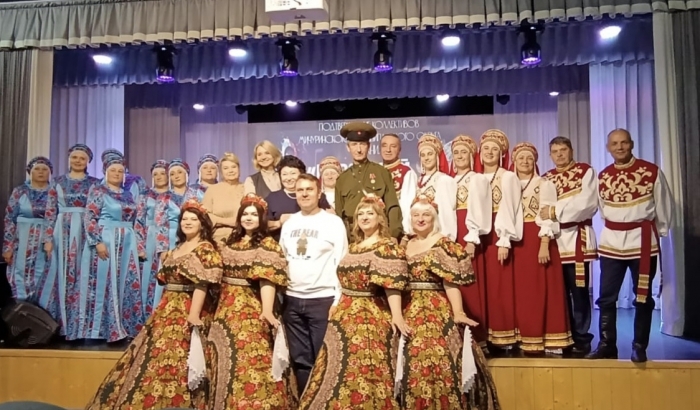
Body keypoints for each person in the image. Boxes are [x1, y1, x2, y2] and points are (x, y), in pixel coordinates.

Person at [85, 200, 222, 410]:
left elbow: (202, 284)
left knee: (180, 356)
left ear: (202, 224)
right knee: (153, 355)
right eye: (184, 219)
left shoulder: (205, 249)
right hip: (167, 308)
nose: (187, 222)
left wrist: (194, 314)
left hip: (187, 308)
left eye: (193, 219)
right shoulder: (178, 247)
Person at [298, 194, 410, 409]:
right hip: (345, 314)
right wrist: (337, 303)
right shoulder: (355, 246)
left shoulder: (387, 247)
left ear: (380, 218)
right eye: (360, 214)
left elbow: (391, 284)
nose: (364, 217)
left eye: (370, 213)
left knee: (365, 365)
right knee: (339, 364)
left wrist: (397, 315)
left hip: (369, 315)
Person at [399, 194, 500, 409]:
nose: (420, 219)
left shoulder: (443, 244)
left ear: (434, 218)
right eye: (416, 215)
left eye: (426, 215)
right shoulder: (405, 244)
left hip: (434, 308)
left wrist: (459, 312)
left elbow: (450, 283)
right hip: (408, 308)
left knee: (439, 359)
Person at [587, 129, 674, 362]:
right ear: (608, 148)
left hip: (642, 244)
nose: (620, 147)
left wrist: (661, 231)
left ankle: (639, 346)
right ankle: (607, 345)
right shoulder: (604, 176)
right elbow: (603, 209)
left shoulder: (651, 171)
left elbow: (664, 204)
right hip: (611, 244)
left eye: (624, 142)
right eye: (615, 143)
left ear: (631, 144)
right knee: (606, 297)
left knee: (642, 296)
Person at [208, 193, 296, 409]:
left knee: (250, 357)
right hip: (225, 308)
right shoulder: (230, 241)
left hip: (250, 308)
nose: (249, 218)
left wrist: (267, 310)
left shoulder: (267, 244)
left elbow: (267, 279)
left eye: (254, 215)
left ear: (262, 218)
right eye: (245, 214)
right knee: (224, 354)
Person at [279, 173, 347, 396]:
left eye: (309, 189)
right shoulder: (290, 223)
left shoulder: (333, 222)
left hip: (323, 300)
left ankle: (324, 401)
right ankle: (305, 401)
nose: (305, 194)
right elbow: (282, 259)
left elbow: (341, 261)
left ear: (319, 193)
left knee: (323, 357)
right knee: (300, 360)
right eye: (300, 190)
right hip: (292, 300)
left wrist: (338, 299)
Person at [510, 142, 573, 354]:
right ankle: (525, 334)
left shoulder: (544, 184)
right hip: (518, 240)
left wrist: (544, 243)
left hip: (537, 238)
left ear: (535, 161)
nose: (525, 162)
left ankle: (548, 336)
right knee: (522, 291)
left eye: (529, 158)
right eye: (521, 158)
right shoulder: (511, 184)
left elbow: (547, 215)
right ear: (514, 161)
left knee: (540, 288)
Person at [541, 136, 598, 355]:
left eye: (563, 150)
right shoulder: (546, 178)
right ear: (550, 155)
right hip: (553, 242)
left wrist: (554, 211)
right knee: (559, 294)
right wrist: (558, 211)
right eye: (555, 151)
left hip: (577, 240)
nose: (559, 155)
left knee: (579, 292)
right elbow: (541, 211)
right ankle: (563, 336)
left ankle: (582, 339)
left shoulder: (585, 172)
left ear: (571, 151)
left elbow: (586, 205)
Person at [78, 154, 142, 341]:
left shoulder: (128, 194)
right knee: (105, 282)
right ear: (105, 172)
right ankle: (101, 329)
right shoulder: (98, 191)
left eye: (120, 171)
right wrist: (97, 241)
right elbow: (90, 216)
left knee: (125, 283)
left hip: (127, 241)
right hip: (106, 238)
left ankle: (125, 326)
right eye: (113, 170)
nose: (116, 173)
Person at [475, 129, 523, 351]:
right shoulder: (476, 177)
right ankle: (485, 333)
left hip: (498, 234)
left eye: (494, 149)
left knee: (499, 285)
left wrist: (504, 239)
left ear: (502, 153)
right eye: (486, 148)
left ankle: (504, 335)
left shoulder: (508, 176)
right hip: (480, 236)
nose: (489, 152)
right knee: (482, 286)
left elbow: (510, 208)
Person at [46, 144, 100, 336]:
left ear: (88, 161)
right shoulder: (57, 182)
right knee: (61, 274)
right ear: (69, 159)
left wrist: (96, 237)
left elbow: (97, 212)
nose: (78, 161)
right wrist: (47, 238)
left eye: (82, 158)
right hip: (62, 232)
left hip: (86, 231)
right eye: (75, 157)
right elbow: (50, 211)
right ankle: (61, 324)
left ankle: (82, 326)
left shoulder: (95, 184)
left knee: (84, 274)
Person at [449, 135, 492, 347]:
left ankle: (476, 336)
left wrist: (472, 239)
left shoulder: (477, 179)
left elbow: (478, 210)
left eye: (463, 152)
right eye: (456, 152)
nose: (459, 156)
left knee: (469, 283)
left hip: (467, 233)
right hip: (452, 233)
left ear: (471, 155)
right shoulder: (448, 180)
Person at [3, 157, 55, 311]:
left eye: (44, 169)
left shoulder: (54, 192)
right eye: (37, 169)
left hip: (46, 240)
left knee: (43, 274)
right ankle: (21, 311)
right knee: (20, 273)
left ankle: (41, 314)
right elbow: (10, 219)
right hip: (22, 239)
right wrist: (8, 247)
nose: (41, 172)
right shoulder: (20, 191)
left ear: (50, 172)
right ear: (30, 172)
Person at [335, 122, 403, 240]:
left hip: (379, 236)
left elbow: (393, 206)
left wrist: (393, 235)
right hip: (351, 238)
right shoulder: (342, 179)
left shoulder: (382, 172)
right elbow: (339, 215)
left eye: (362, 144)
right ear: (348, 147)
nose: (359, 149)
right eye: (354, 144)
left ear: (369, 146)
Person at [135, 160, 170, 315]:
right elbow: (139, 222)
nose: (159, 177)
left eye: (163, 173)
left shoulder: (173, 195)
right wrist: (139, 246)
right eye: (155, 174)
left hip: (169, 237)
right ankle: (147, 314)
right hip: (149, 238)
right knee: (148, 277)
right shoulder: (145, 195)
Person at [267, 156, 330, 242]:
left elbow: (330, 219)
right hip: (280, 245)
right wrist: (278, 222)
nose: (288, 178)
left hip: (314, 242)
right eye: (284, 174)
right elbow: (262, 225)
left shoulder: (316, 195)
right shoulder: (272, 198)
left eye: (293, 173)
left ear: (302, 174)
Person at [416, 134, 458, 240]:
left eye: (430, 154)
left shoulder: (444, 180)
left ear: (437, 156)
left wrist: (446, 238)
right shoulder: (418, 181)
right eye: (423, 155)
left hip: (437, 234)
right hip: (420, 234)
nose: (426, 158)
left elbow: (447, 212)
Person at [201, 152, 245, 243]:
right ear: (221, 172)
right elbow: (205, 217)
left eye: (234, 167)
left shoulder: (247, 188)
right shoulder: (212, 190)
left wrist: (218, 220)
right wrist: (230, 222)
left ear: (239, 169)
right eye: (226, 168)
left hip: (244, 237)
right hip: (218, 238)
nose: (230, 171)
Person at [380, 133, 417, 234]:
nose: (388, 150)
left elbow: (407, 205)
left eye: (393, 146)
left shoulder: (406, 171)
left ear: (399, 150)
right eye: (384, 146)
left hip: (397, 230)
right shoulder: (376, 171)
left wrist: (405, 233)